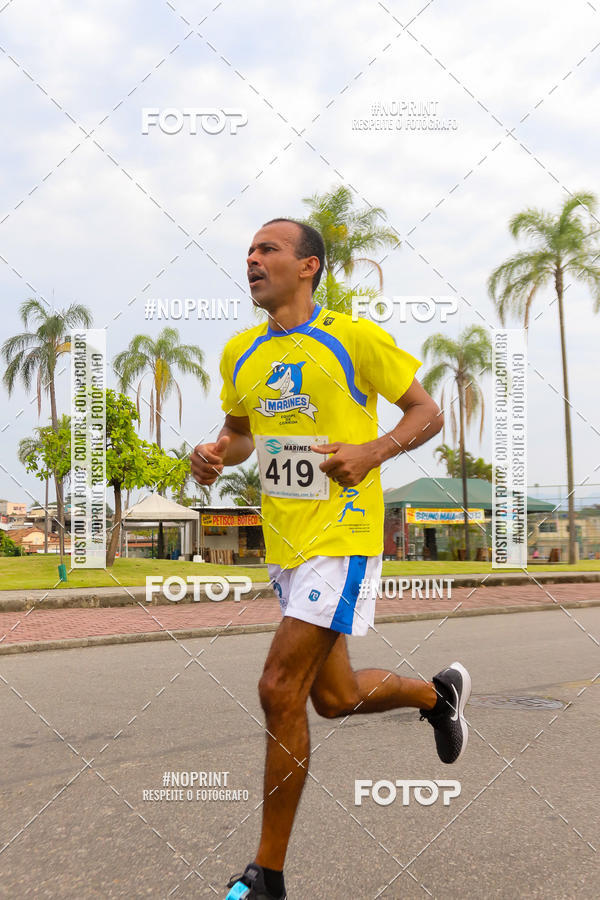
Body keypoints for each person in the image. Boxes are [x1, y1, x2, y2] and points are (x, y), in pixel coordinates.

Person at [191, 218, 472, 900]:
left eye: (269, 250)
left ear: (309, 266)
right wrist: (211, 455)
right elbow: (239, 436)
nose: (253, 259)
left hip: (342, 537)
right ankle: (440, 697)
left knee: (277, 687)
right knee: (334, 698)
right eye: (250, 251)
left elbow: (426, 411)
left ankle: (267, 876)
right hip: (285, 545)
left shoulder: (352, 338)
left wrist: (373, 452)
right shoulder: (240, 353)